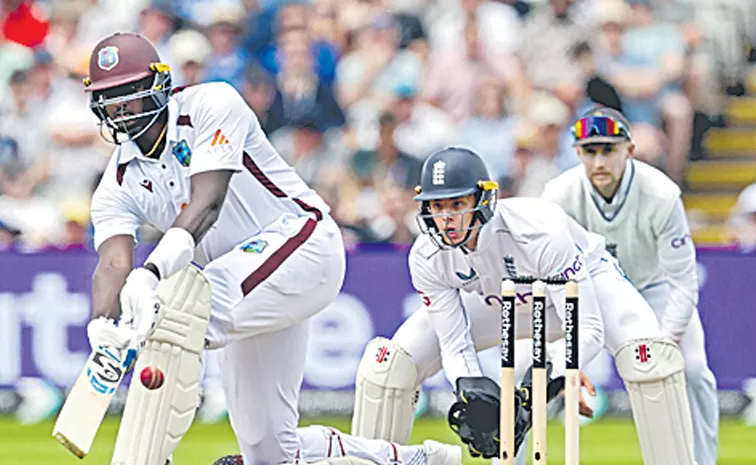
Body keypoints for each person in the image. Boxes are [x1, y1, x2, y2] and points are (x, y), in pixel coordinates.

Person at [81, 32, 459, 465]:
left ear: (159, 85)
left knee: (177, 308)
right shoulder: (116, 181)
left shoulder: (211, 105)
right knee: (270, 454)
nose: (120, 109)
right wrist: (102, 325)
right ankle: (416, 461)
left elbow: (207, 204)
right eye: (109, 99)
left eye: (129, 94)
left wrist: (150, 276)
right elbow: (112, 261)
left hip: (302, 245)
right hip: (239, 287)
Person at [351, 146, 698, 464]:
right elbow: (454, 343)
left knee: (650, 359)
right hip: (497, 300)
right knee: (388, 366)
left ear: (483, 199)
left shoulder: (539, 231)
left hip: (583, 286)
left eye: (457, 204)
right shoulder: (427, 256)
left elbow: (587, 329)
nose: (447, 219)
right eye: (438, 206)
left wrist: (539, 387)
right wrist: (473, 392)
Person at [542, 106, 719, 465]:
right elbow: (549, 276)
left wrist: (666, 344)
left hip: (654, 290)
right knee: (533, 369)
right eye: (589, 151)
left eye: (609, 149)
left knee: (695, 371)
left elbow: (682, 281)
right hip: (589, 294)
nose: (599, 161)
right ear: (577, 153)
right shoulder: (558, 196)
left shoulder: (661, 194)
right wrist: (568, 365)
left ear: (629, 149)